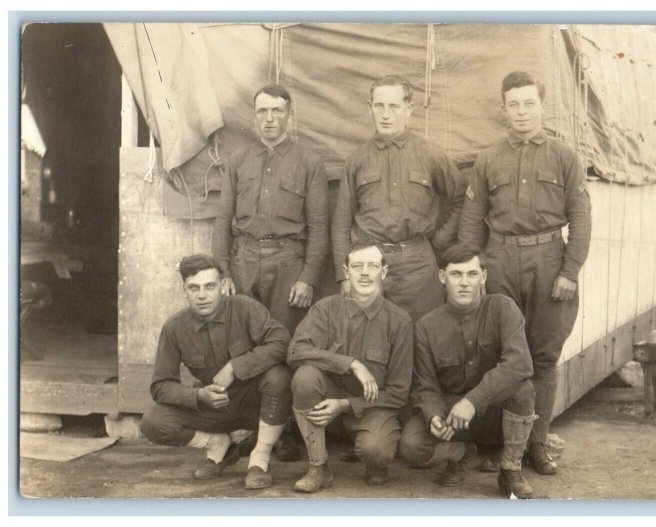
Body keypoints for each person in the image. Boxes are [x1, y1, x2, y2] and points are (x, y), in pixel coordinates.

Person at [458, 71, 591, 475]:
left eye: (528, 103)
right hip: (500, 259)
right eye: (513, 104)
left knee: (544, 356)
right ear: (503, 109)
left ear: (542, 106)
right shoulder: (489, 158)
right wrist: (475, 269)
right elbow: (471, 220)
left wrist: (570, 270)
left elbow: (581, 218)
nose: (521, 112)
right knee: (498, 353)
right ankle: (495, 445)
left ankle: (537, 445)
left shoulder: (564, 156)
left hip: (549, 260)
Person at [139, 254, 293, 490]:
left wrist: (235, 367)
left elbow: (282, 343)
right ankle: (218, 444)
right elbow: (161, 386)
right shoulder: (174, 328)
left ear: (222, 286)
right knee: (153, 422)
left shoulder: (245, 308)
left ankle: (259, 460)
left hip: (258, 404)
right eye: (194, 288)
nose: (202, 295)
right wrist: (198, 396)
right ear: (185, 290)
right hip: (215, 407)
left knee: (279, 377)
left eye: (210, 286)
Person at [398, 243, 537, 498]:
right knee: (411, 445)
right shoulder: (426, 327)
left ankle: (510, 470)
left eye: (472, 274)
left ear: (483, 277)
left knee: (523, 390)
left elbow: (519, 364)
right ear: (442, 277)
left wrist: (473, 401)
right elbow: (425, 386)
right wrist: (434, 417)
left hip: (496, 413)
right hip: (454, 417)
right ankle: (462, 453)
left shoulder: (502, 308)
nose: (464, 282)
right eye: (456, 274)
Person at [331, 75, 466, 321]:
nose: (385, 114)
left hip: (417, 266)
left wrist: (440, 240)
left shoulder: (430, 154)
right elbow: (341, 221)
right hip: (368, 265)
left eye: (394, 106)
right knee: (368, 338)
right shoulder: (357, 160)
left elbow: (462, 199)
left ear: (409, 109)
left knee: (421, 340)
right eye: (379, 106)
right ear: (370, 108)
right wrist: (344, 276)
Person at [287, 241, 413, 493]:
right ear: (346, 272)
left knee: (376, 452)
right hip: (326, 405)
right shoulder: (325, 309)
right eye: (357, 266)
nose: (365, 273)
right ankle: (318, 467)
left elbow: (399, 392)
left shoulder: (399, 321)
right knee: (305, 377)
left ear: (384, 273)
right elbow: (295, 351)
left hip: (371, 409)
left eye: (372, 266)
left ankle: (372, 460)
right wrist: (351, 363)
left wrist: (345, 405)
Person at [212, 84, 329, 336]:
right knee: (242, 336)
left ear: (290, 114)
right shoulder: (238, 161)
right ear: (254, 115)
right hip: (244, 262)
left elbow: (319, 228)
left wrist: (307, 278)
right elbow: (222, 221)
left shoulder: (309, 163)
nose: (269, 119)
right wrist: (223, 273)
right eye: (262, 111)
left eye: (277, 111)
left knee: (283, 338)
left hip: (287, 265)